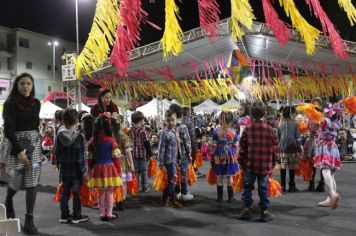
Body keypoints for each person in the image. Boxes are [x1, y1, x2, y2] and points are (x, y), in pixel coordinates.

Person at [1, 73, 41, 234]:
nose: (26, 86)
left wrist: (37, 148)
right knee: (15, 180)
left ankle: (29, 219)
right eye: (22, 83)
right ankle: (9, 200)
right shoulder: (10, 104)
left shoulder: (37, 103)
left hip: (33, 144)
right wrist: (19, 152)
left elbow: (36, 126)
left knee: (32, 182)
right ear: (17, 86)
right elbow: (9, 129)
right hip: (14, 145)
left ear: (32, 86)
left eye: (28, 83)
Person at [238, 101, 278, 222]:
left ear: (250, 114)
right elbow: (275, 149)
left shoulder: (247, 129)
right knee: (263, 188)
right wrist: (273, 163)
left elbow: (242, 149)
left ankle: (246, 210)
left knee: (247, 187)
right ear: (265, 113)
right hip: (264, 166)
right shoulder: (270, 130)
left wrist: (241, 163)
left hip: (249, 165)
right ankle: (264, 212)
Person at [55, 108, 89, 224]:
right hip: (76, 171)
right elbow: (80, 157)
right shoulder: (79, 137)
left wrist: (60, 166)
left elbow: (57, 153)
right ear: (77, 122)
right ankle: (77, 215)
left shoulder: (59, 135)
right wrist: (84, 172)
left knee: (65, 192)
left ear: (63, 121)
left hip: (64, 169)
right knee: (76, 192)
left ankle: (64, 215)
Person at [86, 113, 122, 221]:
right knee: (109, 192)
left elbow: (89, 159)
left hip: (97, 168)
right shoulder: (111, 141)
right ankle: (109, 214)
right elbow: (116, 158)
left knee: (101, 192)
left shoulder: (92, 141)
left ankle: (102, 214)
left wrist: (91, 169)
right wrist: (118, 170)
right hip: (110, 168)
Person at [314, 106, 342, 209]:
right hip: (333, 147)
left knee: (325, 171)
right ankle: (331, 199)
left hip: (325, 147)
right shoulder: (336, 122)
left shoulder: (325, 120)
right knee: (331, 174)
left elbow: (317, 125)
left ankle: (332, 194)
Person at [210, 111, 239, 203]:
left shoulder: (216, 132)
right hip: (231, 155)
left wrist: (211, 153)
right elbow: (236, 145)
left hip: (219, 155)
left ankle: (220, 198)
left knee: (220, 176)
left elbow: (213, 146)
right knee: (229, 176)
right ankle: (230, 197)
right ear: (231, 122)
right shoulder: (234, 132)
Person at [158, 109, 182, 208]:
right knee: (173, 180)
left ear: (176, 120)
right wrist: (160, 163)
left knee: (170, 180)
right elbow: (161, 149)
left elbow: (178, 146)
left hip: (174, 160)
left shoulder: (175, 131)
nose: (171, 122)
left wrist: (179, 158)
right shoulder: (164, 133)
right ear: (165, 121)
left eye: (173, 120)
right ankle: (170, 200)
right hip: (168, 161)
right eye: (168, 120)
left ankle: (165, 197)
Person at [170, 104, 193, 201]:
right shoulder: (183, 127)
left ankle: (176, 192)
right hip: (183, 155)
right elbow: (187, 142)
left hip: (172, 155)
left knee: (175, 173)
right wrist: (189, 154)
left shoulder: (169, 127)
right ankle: (184, 193)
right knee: (183, 173)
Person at [111, 116, 135, 211]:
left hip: (113, 162)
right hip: (123, 162)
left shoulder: (110, 136)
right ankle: (122, 200)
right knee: (123, 183)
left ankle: (118, 200)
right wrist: (131, 164)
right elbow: (128, 151)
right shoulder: (124, 136)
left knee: (116, 183)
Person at [277, 106, 302, 192]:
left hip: (282, 148)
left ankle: (282, 186)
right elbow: (298, 138)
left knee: (283, 168)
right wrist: (299, 148)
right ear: (291, 114)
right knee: (292, 168)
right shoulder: (295, 124)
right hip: (292, 148)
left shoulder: (280, 124)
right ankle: (291, 185)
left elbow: (278, 137)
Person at [129, 111, 152, 192]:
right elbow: (146, 142)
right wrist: (150, 153)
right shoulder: (142, 131)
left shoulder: (131, 130)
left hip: (133, 154)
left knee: (135, 171)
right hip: (142, 154)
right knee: (144, 171)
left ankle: (135, 187)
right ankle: (145, 187)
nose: (143, 122)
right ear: (140, 120)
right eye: (142, 120)